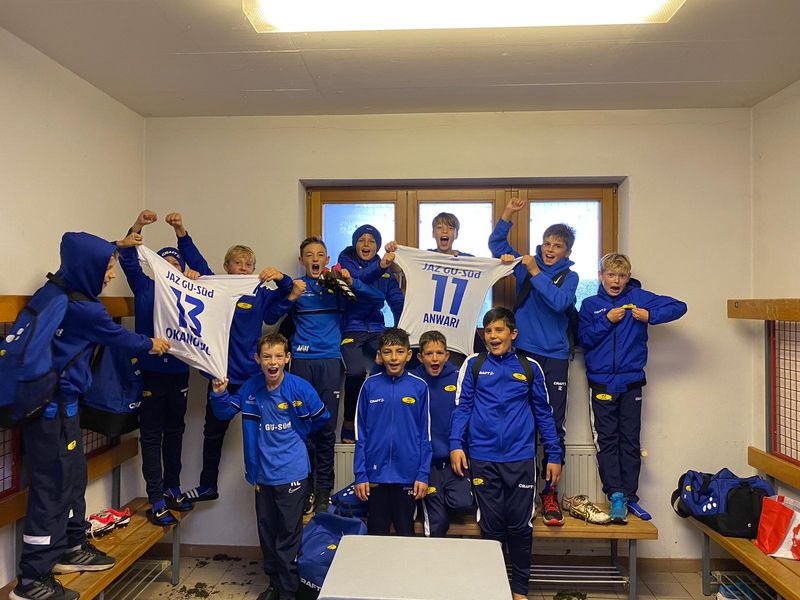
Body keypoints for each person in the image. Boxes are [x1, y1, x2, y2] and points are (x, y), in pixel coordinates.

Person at [12, 232, 170, 600]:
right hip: (49, 411)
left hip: (64, 406)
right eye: (107, 267)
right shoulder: (83, 308)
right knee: (52, 486)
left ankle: (69, 546)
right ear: (88, 267)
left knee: (72, 477)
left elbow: (83, 253)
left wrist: (116, 245)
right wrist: (152, 343)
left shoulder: (57, 290)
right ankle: (31, 578)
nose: (111, 274)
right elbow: (119, 337)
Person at [164, 212, 295, 504]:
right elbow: (196, 261)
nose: (243, 268)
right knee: (213, 434)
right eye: (238, 263)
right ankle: (207, 485)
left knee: (267, 430)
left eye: (249, 264)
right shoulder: (215, 286)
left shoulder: (260, 292)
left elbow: (287, 292)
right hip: (220, 375)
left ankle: (271, 481)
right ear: (226, 267)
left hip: (254, 378)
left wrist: (280, 276)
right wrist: (181, 231)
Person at [450, 307, 561, 600]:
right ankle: (495, 587)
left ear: (513, 334)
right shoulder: (473, 364)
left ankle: (520, 590)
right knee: (491, 524)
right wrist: (456, 445)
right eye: (488, 331)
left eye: (499, 330)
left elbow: (544, 413)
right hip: (482, 458)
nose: (493, 336)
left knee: (519, 524)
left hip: (520, 458)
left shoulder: (529, 367)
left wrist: (554, 454)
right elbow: (462, 407)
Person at [210, 333, 329, 600]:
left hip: (293, 473)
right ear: (258, 359)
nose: (272, 362)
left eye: (278, 356)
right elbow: (224, 412)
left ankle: (288, 592)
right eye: (266, 357)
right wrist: (219, 394)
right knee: (267, 535)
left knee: (288, 537)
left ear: (287, 358)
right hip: (263, 476)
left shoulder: (300, 388)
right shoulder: (251, 387)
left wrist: (301, 437)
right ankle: (275, 585)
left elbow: (322, 419)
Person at [578, 252, 687, 523]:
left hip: (631, 382)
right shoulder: (590, 305)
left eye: (622, 276)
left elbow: (679, 306)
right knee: (607, 441)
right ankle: (616, 495)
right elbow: (584, 339)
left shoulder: (638, 297)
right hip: (602, 383)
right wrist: (607, 321)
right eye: (611, 275)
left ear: (628, 277)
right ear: (601, 276)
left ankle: (630, 498)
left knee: (630, 440)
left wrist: (650, 315)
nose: (616, 281)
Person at [489, 196, 578, 526]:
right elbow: (497, 245)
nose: (550, 249)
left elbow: (559, 303)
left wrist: (535, 271)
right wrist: (508, 213)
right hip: (523, 354)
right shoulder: (526, 266)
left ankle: (550, 494)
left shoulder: (568, 276)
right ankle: (520, 489)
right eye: (547, 243)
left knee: (552, 426)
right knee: (519, 422)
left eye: (558, 246)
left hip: (554, 358)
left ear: (566, 252)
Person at [277, 235, 382, 513]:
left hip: (331, 362)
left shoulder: (335, 286)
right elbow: (270, 316)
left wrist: (351, 282)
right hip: (301, 362)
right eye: (309, 255)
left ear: (327, 259)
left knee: (325, 429)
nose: (315, 259)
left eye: (319, 254)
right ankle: (306, 489)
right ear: (302, 260)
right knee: (303, 430)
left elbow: (378, 300)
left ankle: (324, 491)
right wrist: (291, 296)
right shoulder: (297, 286)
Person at [118, 210, 200, 525]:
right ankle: (155, 498)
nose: (170, 268)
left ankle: (172, 488)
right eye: (164, 263)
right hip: (151, 372)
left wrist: (195, 279)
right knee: (151, 435)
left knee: (175, 431)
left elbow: (211, 289)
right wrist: (138, 225)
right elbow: (127, 258)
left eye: (176, 264)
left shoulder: (190, 292)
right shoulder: (145, 287)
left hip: (179, 372)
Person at [353, 327, 431, 536]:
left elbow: (425, 435)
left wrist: (423, 474)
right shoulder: (369, 386)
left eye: (399, 351)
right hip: (375, 476)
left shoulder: (419, 387)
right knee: (377, 537)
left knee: (406, 535)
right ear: (380, 355)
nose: (394, 358)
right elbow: (360, 435)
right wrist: (360, 475)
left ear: (409, 354)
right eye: (388, 352)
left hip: (407, 477)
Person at [337, 224, 403, 444]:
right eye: (361, 240)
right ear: (354, 244)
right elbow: (360, 278)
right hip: (351, 328)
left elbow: (396, 301)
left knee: (390, 364)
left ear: (377, 246)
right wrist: (381, 267)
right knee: (356, 372)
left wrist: (403, 329)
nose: (366, 244)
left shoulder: (386, 271)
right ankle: (349, 421)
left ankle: (379, 420)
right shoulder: (346, 261)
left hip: (376, 329)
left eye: (372, 241)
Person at [411, 330, 472, 537]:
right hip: (426, 465)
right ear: (420, 357)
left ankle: (439, 497)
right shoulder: (413, 380)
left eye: (439, 353)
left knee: (463, 504)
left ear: (447, 355)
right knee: (437, 522)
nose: (435, 358)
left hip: (454, 461)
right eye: (429, 354)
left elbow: (466, 413)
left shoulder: (458, 378)